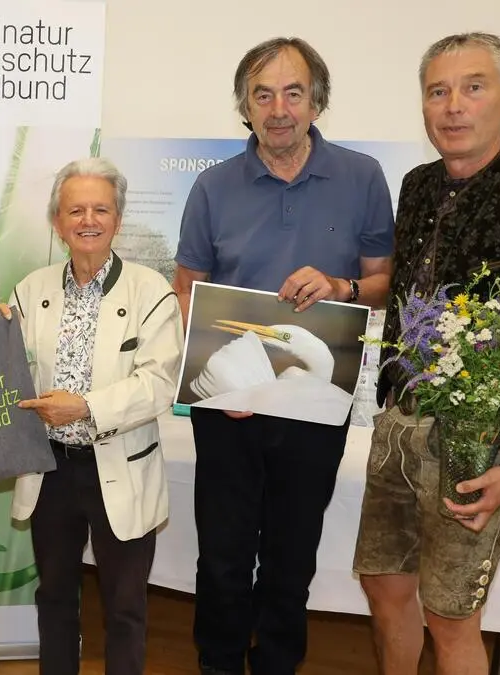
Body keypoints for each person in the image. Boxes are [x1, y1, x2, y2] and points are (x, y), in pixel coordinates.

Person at [354, 32, 500, 675]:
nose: (453, 105)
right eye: (438, 91)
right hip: (399, 426)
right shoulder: (417, 186)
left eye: (473, 87)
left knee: (451, 616)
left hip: (480, 445)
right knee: (383, 585)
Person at [173, 37, 395, 675]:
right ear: (244, 107)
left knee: (291, 557)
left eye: (293, 93)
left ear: (316, 101)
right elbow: (186, 289)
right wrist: (219, 385)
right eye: (262, 95)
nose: (278, 109)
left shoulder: (362, 178)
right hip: (228, 405)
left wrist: (341, 287)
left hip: (315, 408)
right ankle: (218, 664)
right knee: (222, 556)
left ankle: (276, 664)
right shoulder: (213, 187)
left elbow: (384, 281)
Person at [6, 158, 184, 675]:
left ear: (118, 220)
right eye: (75, 210)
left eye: (101, 210)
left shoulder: (152, 291)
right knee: (55, 597)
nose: (88, 220)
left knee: (125, 606)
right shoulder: (30, 290)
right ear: (57, 222)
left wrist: (85, 407)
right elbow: (7, 373)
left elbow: (157, 384)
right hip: (51, 469)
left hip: (121, 465)